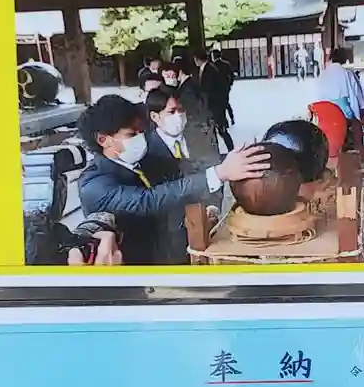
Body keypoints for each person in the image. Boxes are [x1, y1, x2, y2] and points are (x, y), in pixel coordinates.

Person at [74, 91, 270, 270]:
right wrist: (219, 173)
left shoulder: (146, 160)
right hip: (139, 274)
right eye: (131, 134)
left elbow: (189, 172)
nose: (141, 138)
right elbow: (149, 200)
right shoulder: (94, 184)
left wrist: (234, 162)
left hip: (173, 259)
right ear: (103, 140)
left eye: (141, 131)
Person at [146, 79, 219, 172]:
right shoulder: (148, 149)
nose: (178, 115)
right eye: (171, 111)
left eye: (181, 110)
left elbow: (213, 166)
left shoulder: (200, 135)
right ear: (154, 116)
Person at [312, 44, 364, 143]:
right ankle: (356, 145)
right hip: (344, 116)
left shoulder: (322, 75)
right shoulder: (347, 74)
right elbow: (360, 99)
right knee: (356, 120)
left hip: (325, 116)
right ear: (344, 59)